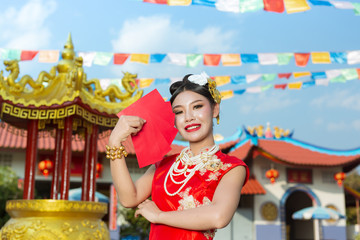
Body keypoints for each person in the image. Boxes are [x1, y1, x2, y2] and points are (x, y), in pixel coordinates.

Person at [108, 72, 249, 240]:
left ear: (215, 109)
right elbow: (129, 198)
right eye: (179, 112)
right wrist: (114, 142)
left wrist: (159, 216)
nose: (188, 117)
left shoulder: (231, 167)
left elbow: (219, 216)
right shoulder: (164, 165)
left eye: (197, 107)